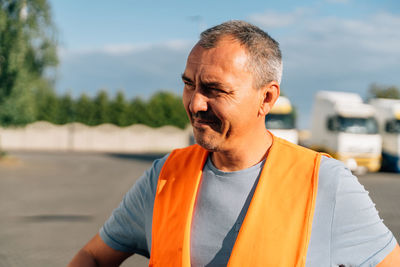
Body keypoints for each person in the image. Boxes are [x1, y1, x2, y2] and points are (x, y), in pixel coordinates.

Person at [69, 20, 400, 266]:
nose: (195, 103)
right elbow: (92, 258)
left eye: (215, 89)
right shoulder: (164, 177)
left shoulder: (324, 183)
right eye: (189, 84)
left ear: (266, 98)